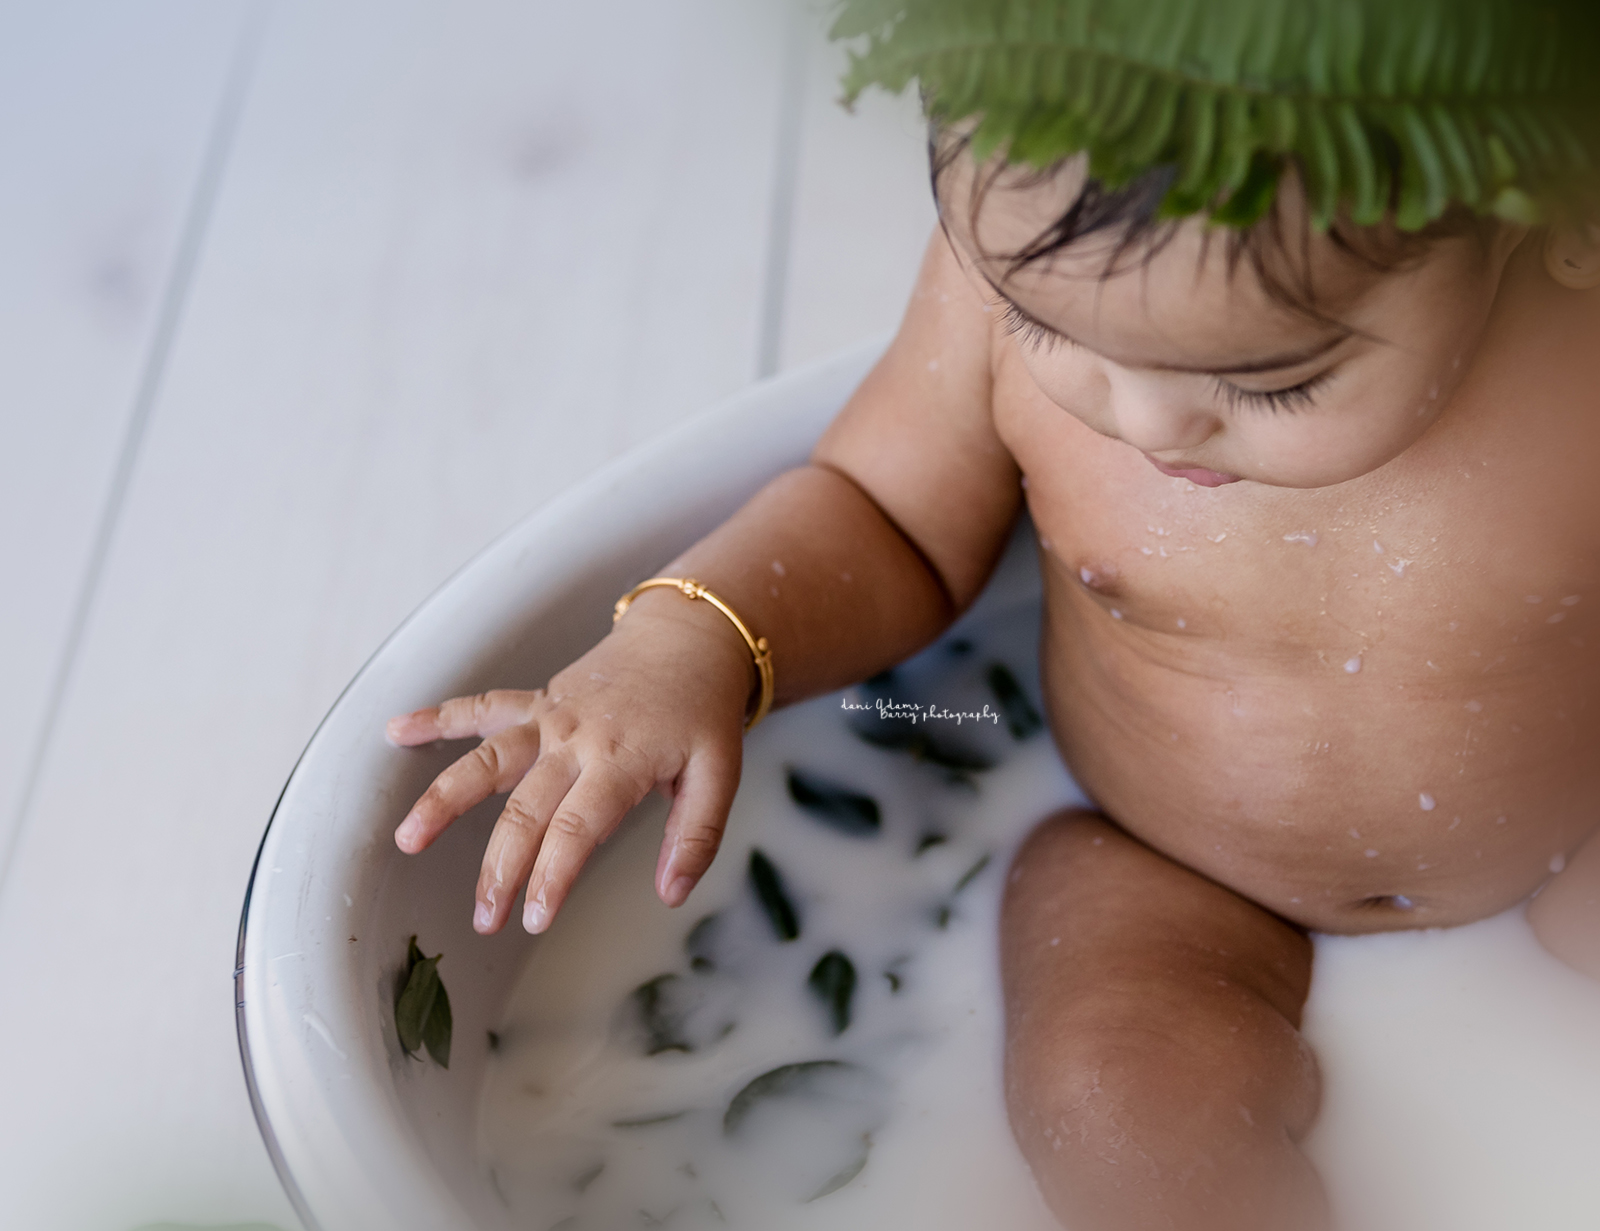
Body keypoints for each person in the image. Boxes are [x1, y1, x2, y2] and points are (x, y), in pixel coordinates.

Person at [383, 2, 1600, 1226]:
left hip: (1576, 823)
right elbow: (884, 514)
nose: (1140, 419)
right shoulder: (1006, 300)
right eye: (1043, 325)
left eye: (1269, 378)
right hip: (1174, 867)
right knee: (1119, 1103)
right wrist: (691, 640)